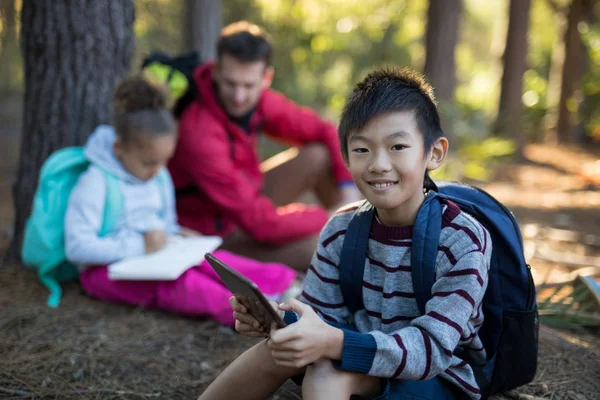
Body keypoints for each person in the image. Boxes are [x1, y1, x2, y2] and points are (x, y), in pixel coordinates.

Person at [198, 68, 492, 400]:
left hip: (439, 376)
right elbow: (321, 314)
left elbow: (431, 349)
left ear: (433, 153)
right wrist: (278, 320)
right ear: (346, 159)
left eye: (397, 146)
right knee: (280, 345)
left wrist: (336, 343)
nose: (379, 164)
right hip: (360, 351)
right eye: (362, 149)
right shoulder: (342, 228)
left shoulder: (461, 239)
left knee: (327, 374)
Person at [64, 76, 297, 326]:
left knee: (210, 261)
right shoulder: (96, 182)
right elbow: (77, 248)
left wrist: (177, 234)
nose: (158, 171)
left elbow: (164, 222)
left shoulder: (159, 174)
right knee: (179, 284)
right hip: (105, 271)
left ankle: (286, 286)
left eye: (165, 161)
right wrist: (141, 246)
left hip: (156, 255)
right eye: (148, 163)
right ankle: (259, 314)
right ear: (120, 148)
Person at [168, 21, 362, 271]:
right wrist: (330, 217)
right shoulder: (198, 132)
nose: (239, 96)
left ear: (266, 78)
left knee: (317, 155)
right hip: (211, 234)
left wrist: (348, 193)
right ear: (216, 71)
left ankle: (363, 227)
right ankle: (351, 238)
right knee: (323, 246)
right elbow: (262, 224)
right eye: (230, 83)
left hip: (247, 197)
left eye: (248, 85)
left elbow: (325, 130)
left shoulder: (258, 101)